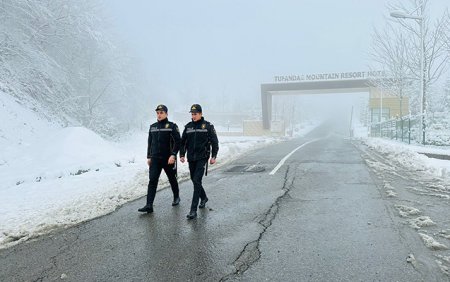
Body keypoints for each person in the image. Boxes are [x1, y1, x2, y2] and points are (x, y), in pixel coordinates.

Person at [138, 104, 181, 213]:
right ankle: (149, 205)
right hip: (155, 159)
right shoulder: (153, 127)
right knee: (152, 180)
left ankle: (176, 197)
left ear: (166, 113)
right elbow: (150, 143)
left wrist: (173, 155)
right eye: (157, 113)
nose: (159, 114)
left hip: (168, 159)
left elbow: (178, 142)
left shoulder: (172, 126)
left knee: (172, 178)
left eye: (161, 112)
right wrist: (149, 156)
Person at [180, 104, 219, 219]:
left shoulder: (207, 126)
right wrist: (182, 154)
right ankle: (204, 197)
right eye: (192, 114)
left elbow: (215, 142)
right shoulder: (188, 127)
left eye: (195, 114)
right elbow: (183, 142)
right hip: (191, 158)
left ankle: (193, 210)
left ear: (201, 113)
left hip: (202, 157)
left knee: (197, 180)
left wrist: (214, 156)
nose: (193, 116)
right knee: (194, 180)